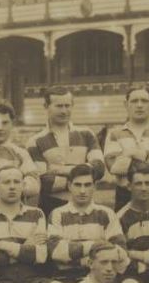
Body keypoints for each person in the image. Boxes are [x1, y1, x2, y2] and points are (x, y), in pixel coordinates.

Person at [26, 87, 105, 216]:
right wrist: (83, 175)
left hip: (86, 206)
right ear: (46, 106)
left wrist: (59, 170)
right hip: (51, 206)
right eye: (59, 106)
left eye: (67, 106)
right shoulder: (35, 141)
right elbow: (44, 182)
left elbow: (99, 169)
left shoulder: (87, 134)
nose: (64, 111)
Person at [48, 164, 128, 283]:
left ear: (94, 186)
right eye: (78, 185)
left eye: (87, 185)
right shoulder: (58, 214)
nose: (82, 191)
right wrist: (97, 246)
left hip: (100, 277)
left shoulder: (106, 213)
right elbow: (56, 252)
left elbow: (121, 253)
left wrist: (73, 255)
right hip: (66, 278)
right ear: (69, 186)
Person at [103, 84, 149, 211]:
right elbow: (114, 167)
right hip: (125, 194)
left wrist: (131, 153)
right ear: (126, 104)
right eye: (134, 101)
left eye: (144, 101)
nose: (139, 105)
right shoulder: (114, 133)